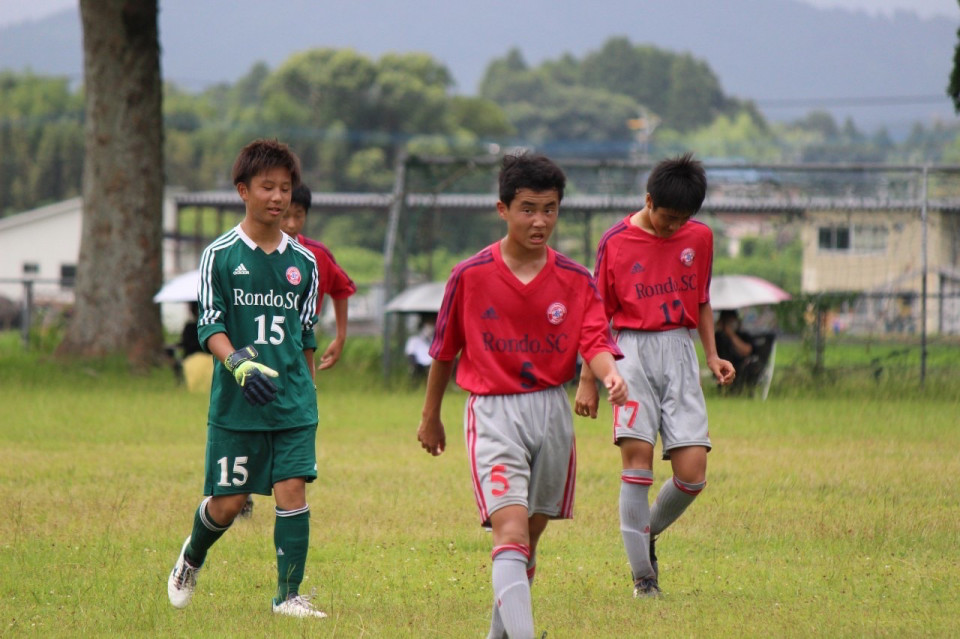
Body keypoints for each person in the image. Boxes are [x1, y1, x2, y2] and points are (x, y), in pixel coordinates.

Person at [417, 153, 628, 639]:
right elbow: (445, 351)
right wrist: (431, 416)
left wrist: (609, 374)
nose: (540, 221)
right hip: (493, 411)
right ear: (503, 209)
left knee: (527, 540)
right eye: (528, 208)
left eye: (550, 209)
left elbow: (594, 340)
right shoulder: (469, 275)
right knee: (509, 532)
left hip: (552, 412)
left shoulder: (575, 279)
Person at [166, 138, 327, 618]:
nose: (278, 197)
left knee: (292, 489)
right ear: (243, 190)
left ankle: (288, 596)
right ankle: (191, 558)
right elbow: (209, 325)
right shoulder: (220, 255)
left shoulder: (306, 263)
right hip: (238, 405)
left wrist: (310, 391)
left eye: (285, 188)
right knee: (229, 503)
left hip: (293, 402)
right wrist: (238, 364)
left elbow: (306, 333)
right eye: (267, 187)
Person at [575, 153, 735, 599]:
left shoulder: (699, 238)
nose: (672, 227)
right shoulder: (615, 241)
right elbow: (596, 314)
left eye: (682, 219)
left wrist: (712, 355)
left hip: (680, 352)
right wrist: (588, 379)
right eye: (666, 218)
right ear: (648, 200)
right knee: (637, 465)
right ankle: (644, 580)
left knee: (692, 474)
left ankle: (642, 532)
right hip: (629, 353)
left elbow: (700, 298)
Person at [280, 183, 357, 371]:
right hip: (262, 350)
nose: (291, 224)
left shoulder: (316, 255)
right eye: (285, 215)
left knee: (303, 397)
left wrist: (340, 337)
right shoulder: (254, 253)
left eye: (298, 216)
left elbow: (341, 289)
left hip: (301, 351)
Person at [404, 312, 436, 378]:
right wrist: (414, 366)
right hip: (420, 369)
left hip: (435, 367)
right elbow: (411, 355)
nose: (430, 326)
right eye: (428, 323)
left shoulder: (438, 341)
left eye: (432, 323)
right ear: (422, 324)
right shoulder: (413, 340)